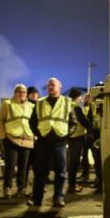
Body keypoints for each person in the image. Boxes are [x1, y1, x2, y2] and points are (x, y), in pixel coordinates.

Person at [28, 78, 74, 207]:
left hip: (60, 142)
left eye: (53, 85)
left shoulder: (67, 102)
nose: (50, 87)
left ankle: (58, 197)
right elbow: (32, 122)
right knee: (40, 172)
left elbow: (73, 122)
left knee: (60, 172)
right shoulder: (40, 102)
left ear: (60, 87)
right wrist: (39, 134)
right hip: (43, 142)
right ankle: (36, 198)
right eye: (48, 85)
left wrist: (66, 135)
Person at [0, 84, 34, 199]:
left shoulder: (31, 106)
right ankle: (7, 188)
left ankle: (21, 189)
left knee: (24, 166)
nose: (22, 94)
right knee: (10, 166)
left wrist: (34, 137)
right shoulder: (7, 104)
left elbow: (34, 122)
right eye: (20, 92)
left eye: (24, 92)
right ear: (15, 93)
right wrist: (3, 137)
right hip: (11, 139)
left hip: (27, 139)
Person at [67, 89, 91, 193]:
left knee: (72, 161)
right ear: (77, 97)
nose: (81, 98)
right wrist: (90, 126)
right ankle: (72, 185)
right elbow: (83, 121)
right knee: (75, 162)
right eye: (80, 96)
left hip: (70, 136)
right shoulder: (76, 107)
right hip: (77, 136)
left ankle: (72, 184)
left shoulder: (67, 106)